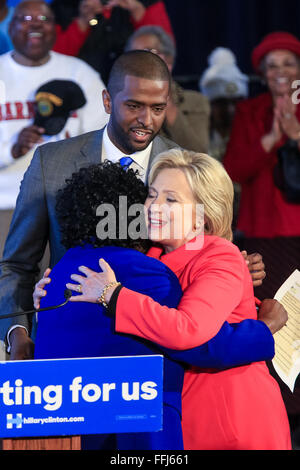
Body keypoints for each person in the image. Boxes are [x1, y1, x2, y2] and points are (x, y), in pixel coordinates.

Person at [1, 49, 270, 365]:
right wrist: (17, 334)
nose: (146, 120)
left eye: (158, 108)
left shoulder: (183, 165)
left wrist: (234, 265)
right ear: (107, 101)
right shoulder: (52, 162)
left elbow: (204, 251)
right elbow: (17, 265)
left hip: (157, 352)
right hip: (71, 344)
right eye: (134, 106)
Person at [32, 160, 276, 450]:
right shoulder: (151, 257)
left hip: (230, 421)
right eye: (151, 194)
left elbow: (191, 333)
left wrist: (265, 328)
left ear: (200, 217)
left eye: (170, 199)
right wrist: (43, 301)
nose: (153, 206)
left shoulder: (216, 255)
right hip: (181, 421)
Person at [223, 30, 300, 451]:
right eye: (272, 66)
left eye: (288, 64)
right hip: (266, 234)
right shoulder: (250, 111)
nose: (281, 72)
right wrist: (272, 138)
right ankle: (282, 411)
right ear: (262, 74)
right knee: (278, 324)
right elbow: (231, 168)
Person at [0, 0, 108, 255]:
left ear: (55, 29)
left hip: (65, 204)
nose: (35, 24)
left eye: (44, 19)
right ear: (10, 28)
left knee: (59, 289)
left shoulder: (79, 73)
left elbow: (102, 136)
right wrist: (11, 149)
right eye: (26, 19)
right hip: (5, 204)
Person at [125, 25, 210, 152]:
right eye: (134, 55)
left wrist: (163, 98)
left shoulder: (195, 102)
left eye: (149, 52)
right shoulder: (122, 102)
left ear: (168, 60)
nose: (141, 61)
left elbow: (198, 154)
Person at [51, 0, 174, 84]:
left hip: (135, 88)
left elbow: (165, 54)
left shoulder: (147, 3)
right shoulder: (64, 6)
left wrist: (138, 12)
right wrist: (83, 21)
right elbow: (54, 60)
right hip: (82, 90)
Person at [200, 47, 248, 232]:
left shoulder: (251, 135)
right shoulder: (199, 137)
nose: (230, 110)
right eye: (221, 103)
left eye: (236, 102)